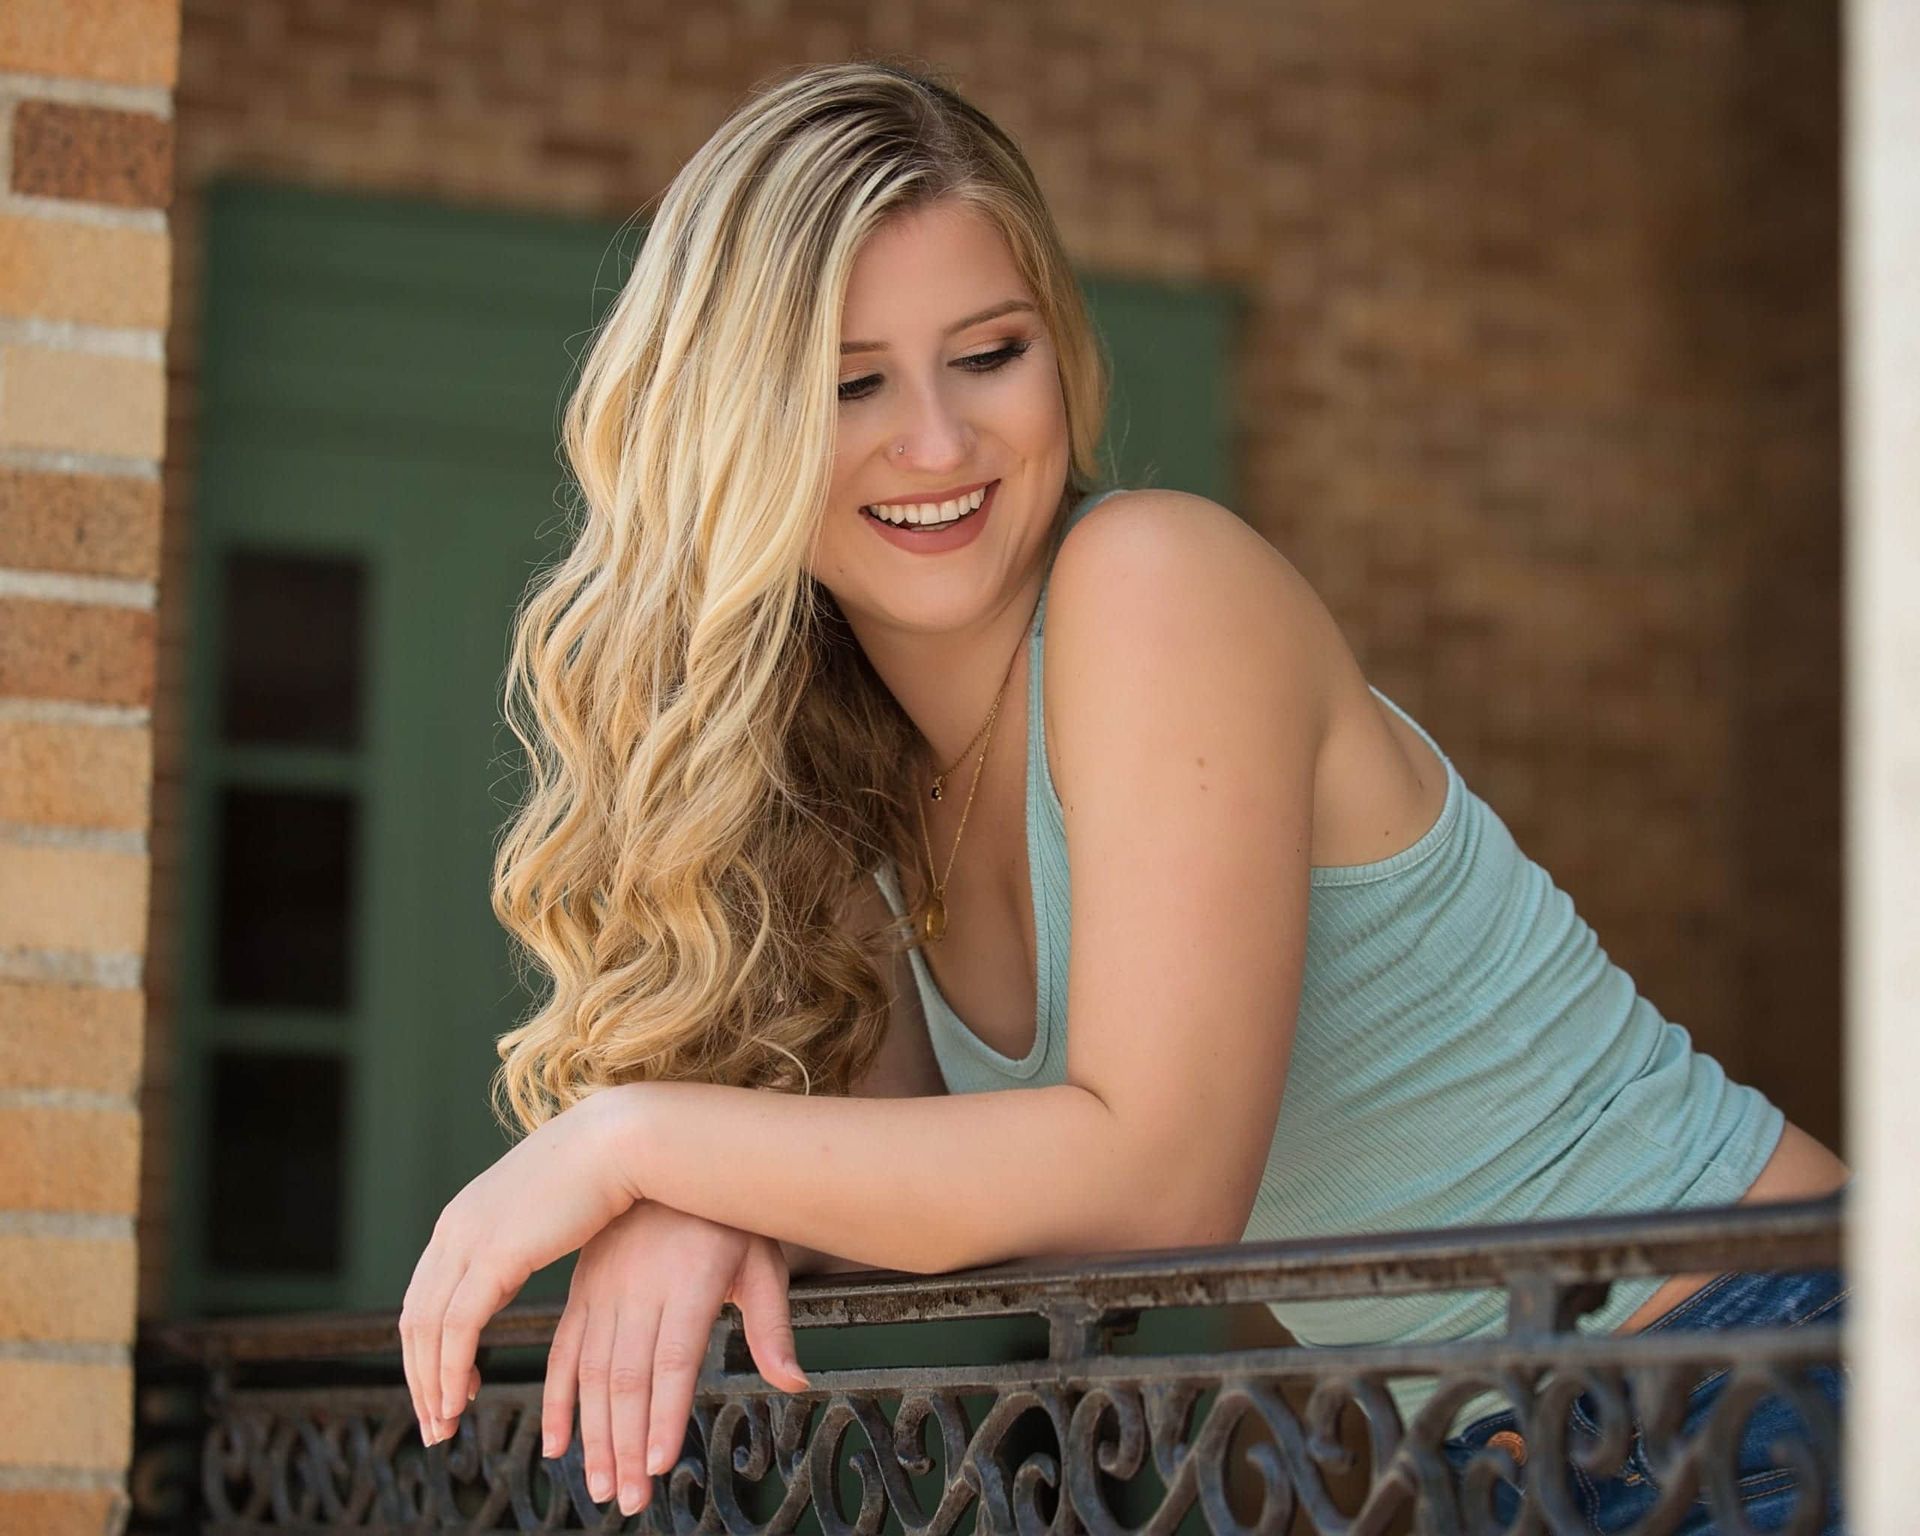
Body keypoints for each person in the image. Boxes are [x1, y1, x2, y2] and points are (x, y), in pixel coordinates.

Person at [397, 59, 1850, 1532]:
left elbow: (1162, 1177)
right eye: (851, 384)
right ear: (733, 428)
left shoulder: (1154, 582)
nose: (941, 443)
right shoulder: (847, 767)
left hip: (1769, 1358)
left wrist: (635, 1141)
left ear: (1063, 357)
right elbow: (919, 1193)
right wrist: (708, 1203)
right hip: (1523, 1447)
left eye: (991, 353)